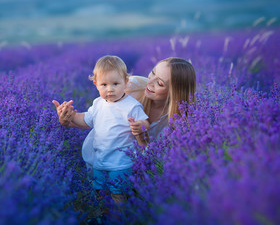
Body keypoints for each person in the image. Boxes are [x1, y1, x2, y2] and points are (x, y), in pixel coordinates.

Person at [52, 55, 149, 204]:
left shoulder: (132, 106)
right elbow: (85, 120)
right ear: (96, 84)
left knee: (118, 195)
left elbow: (146, 123)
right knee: (100, 193)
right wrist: (69, 115)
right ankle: (104, 216)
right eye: (104, 85)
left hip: (121, 163)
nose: (110, 89)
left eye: (115, 83)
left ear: (126, 82)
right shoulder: (98, 103)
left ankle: (118, 218)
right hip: (100, 162)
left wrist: (140, 125)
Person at [126, 57, 197, 141]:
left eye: (160, 83)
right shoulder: (130, 86)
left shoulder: (180, 122)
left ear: (174, 93)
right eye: (153, 73)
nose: (149, 82)